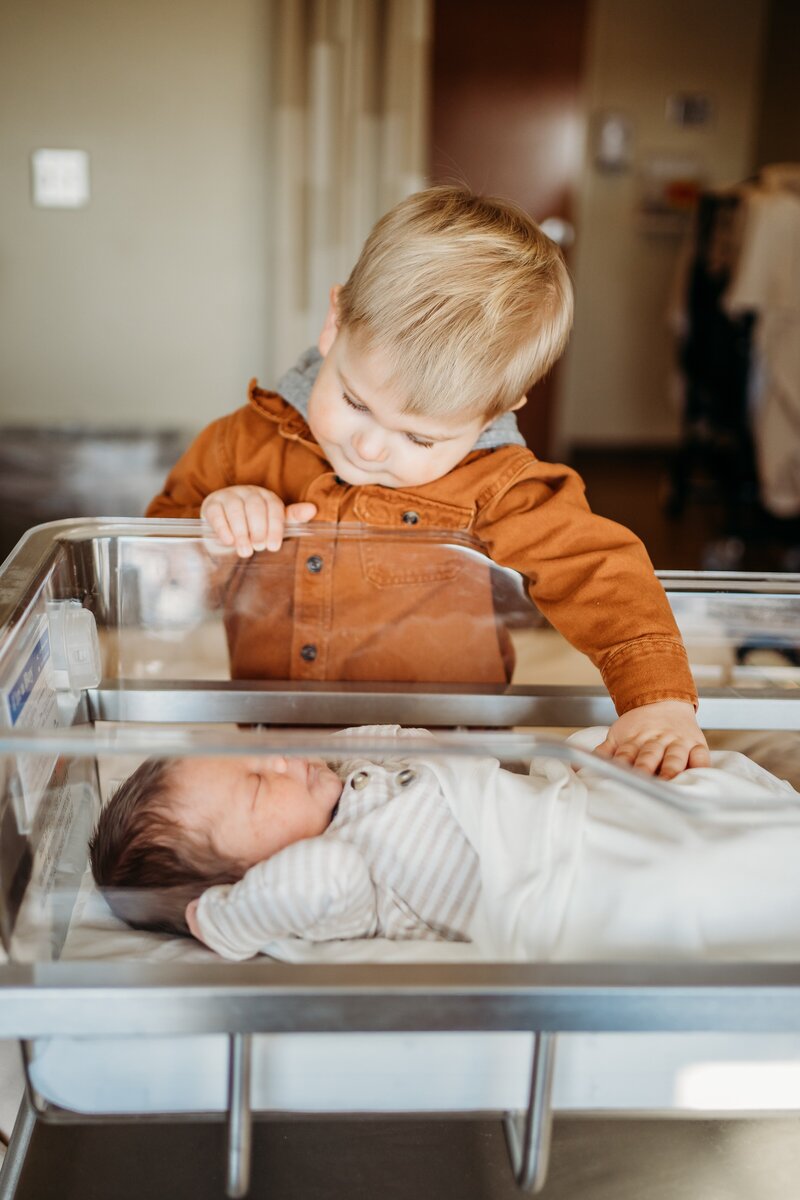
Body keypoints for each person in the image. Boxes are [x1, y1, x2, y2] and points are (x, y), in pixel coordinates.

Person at [147, 186, 708, 777]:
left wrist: (659, 701)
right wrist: (212, 528)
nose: (367, 446)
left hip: (445, 771)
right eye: (354, 401)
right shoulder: (242, 443)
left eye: (418, 439)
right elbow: (155, 573)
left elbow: (600, 571)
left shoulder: (501, 486)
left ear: (492, 414)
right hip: (278, 765)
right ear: (334, 324)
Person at [89, 726, 800, 963]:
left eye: (256, 750)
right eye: (254, 785)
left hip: (557, 812)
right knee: (702, 877)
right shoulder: (331, 889)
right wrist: (221, 917)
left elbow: (396, 739)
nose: (278, 760)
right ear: (243, 878)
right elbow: (318, 874)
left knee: (691, 796)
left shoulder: (335, 779)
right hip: (558, 885)